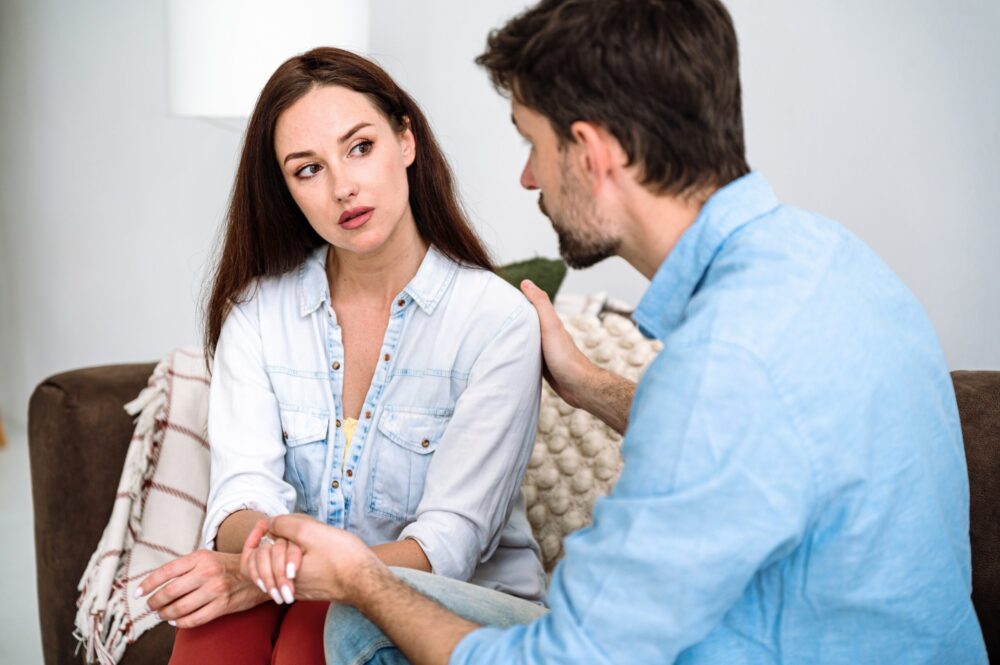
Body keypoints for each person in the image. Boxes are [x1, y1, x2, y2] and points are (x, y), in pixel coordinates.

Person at [259, 1, 989, 663]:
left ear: (591, 151)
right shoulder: (832, 262)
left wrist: (361, 575)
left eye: (532, 143)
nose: (527, 177)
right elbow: (759, 443)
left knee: (364, 620)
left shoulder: (723, 363)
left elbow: (563, 662)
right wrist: (588, 386)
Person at [135, 47, 548, 664]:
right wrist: (269, 563)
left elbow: (450, 545)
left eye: (360, 147)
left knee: (321, 624)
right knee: (214, 625)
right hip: (304, 588)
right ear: (286, 190)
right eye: (308, 170)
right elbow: (243, 492)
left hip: (452, 606)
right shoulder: (256, 314)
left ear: (405, 140)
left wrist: (270, 577)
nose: (343, 187)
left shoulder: (495, 322)